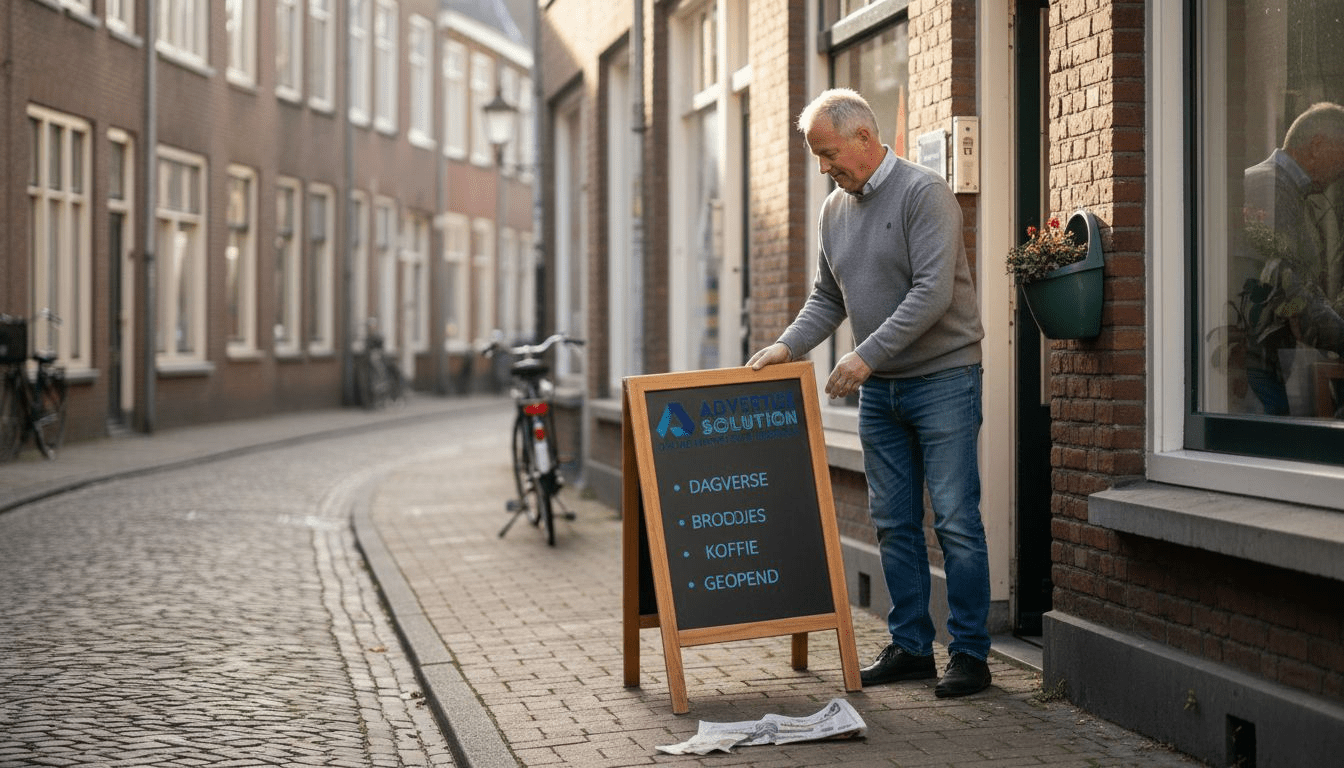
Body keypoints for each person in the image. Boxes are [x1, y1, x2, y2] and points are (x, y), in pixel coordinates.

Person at [747, 88, 991, 698]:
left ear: (864, 137)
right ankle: (911, 646)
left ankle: (970, 654)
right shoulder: (834, 210)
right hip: (882, 392)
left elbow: (933, 293)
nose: (825, 168)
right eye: (818, 158)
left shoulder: (923, 192)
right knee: (892, 523)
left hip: (943, 381)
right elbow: (828, 298)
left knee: (957, 521)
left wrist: (862, 357)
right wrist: (786, 346)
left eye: (829, 154)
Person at [1240, 102, 1344, 416]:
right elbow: (1292, 288)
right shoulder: (1269, 187)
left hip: (1267, 358)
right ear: (1316, 146)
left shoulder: (1286, 190)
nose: (1341, 171)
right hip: (1257, 361)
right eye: (1341, 157)